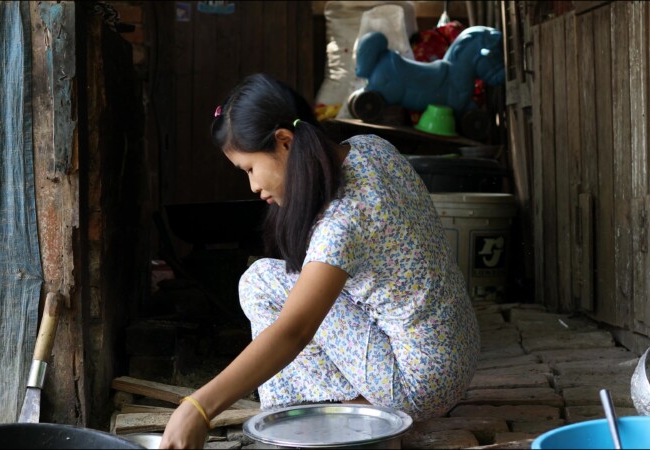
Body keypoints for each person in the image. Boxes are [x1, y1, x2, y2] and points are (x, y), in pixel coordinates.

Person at [159, 73, 480, 449]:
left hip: (418, 383)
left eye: (249, 169)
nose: (252, 186)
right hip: (455, 353)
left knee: (260, 284)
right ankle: (342, 409)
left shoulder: (344, 220)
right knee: (269, 278)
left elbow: (294, 331)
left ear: (284, 142)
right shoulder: (371, 148)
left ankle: (318, 422)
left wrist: (198, 407)